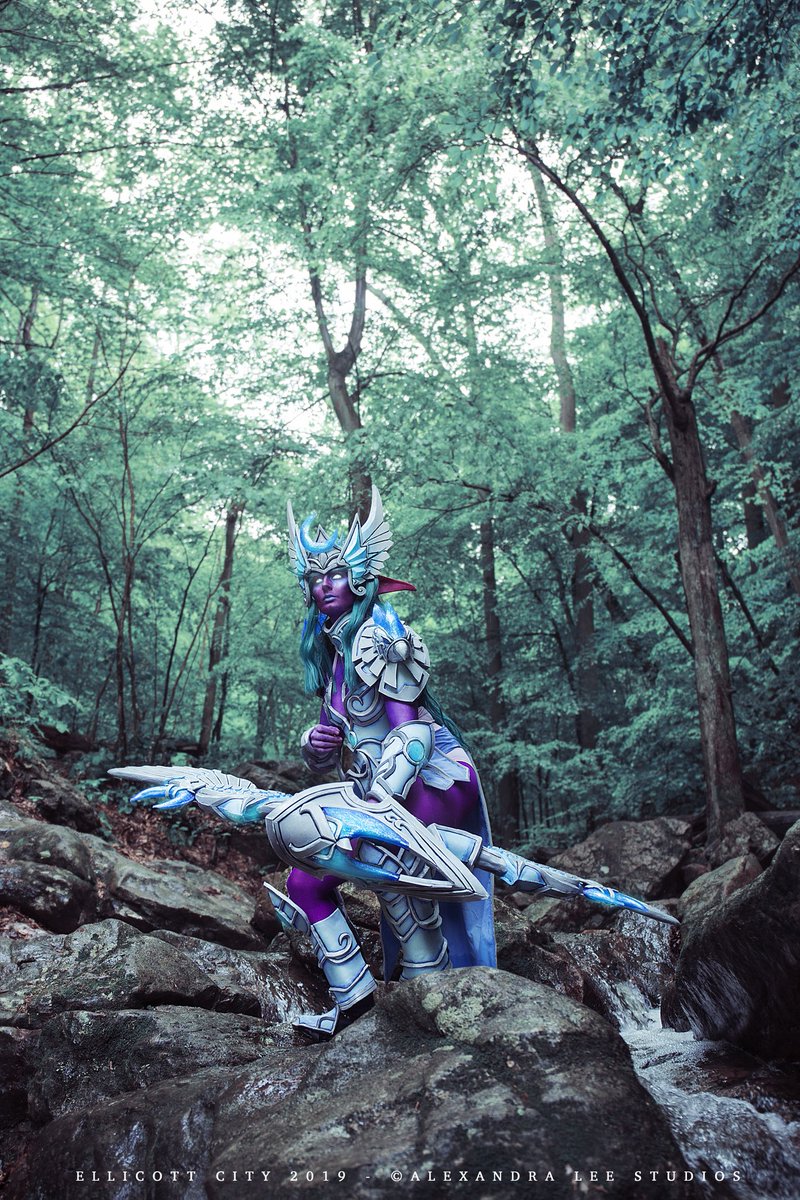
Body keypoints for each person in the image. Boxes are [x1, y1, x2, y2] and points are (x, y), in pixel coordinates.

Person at [277, 485, 496, 1038]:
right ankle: (355, 1003)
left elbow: (413, 730)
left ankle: (431, 1002)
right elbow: (336, 746)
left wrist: (383, 802)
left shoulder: (380, 634)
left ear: (357, 576)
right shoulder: (333, 653)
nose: (323, 585)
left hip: (429, 779)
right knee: (306, 883)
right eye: (314, 578)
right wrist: (315, 745)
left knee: (393, 873)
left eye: (334, 574)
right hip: (374, 790)